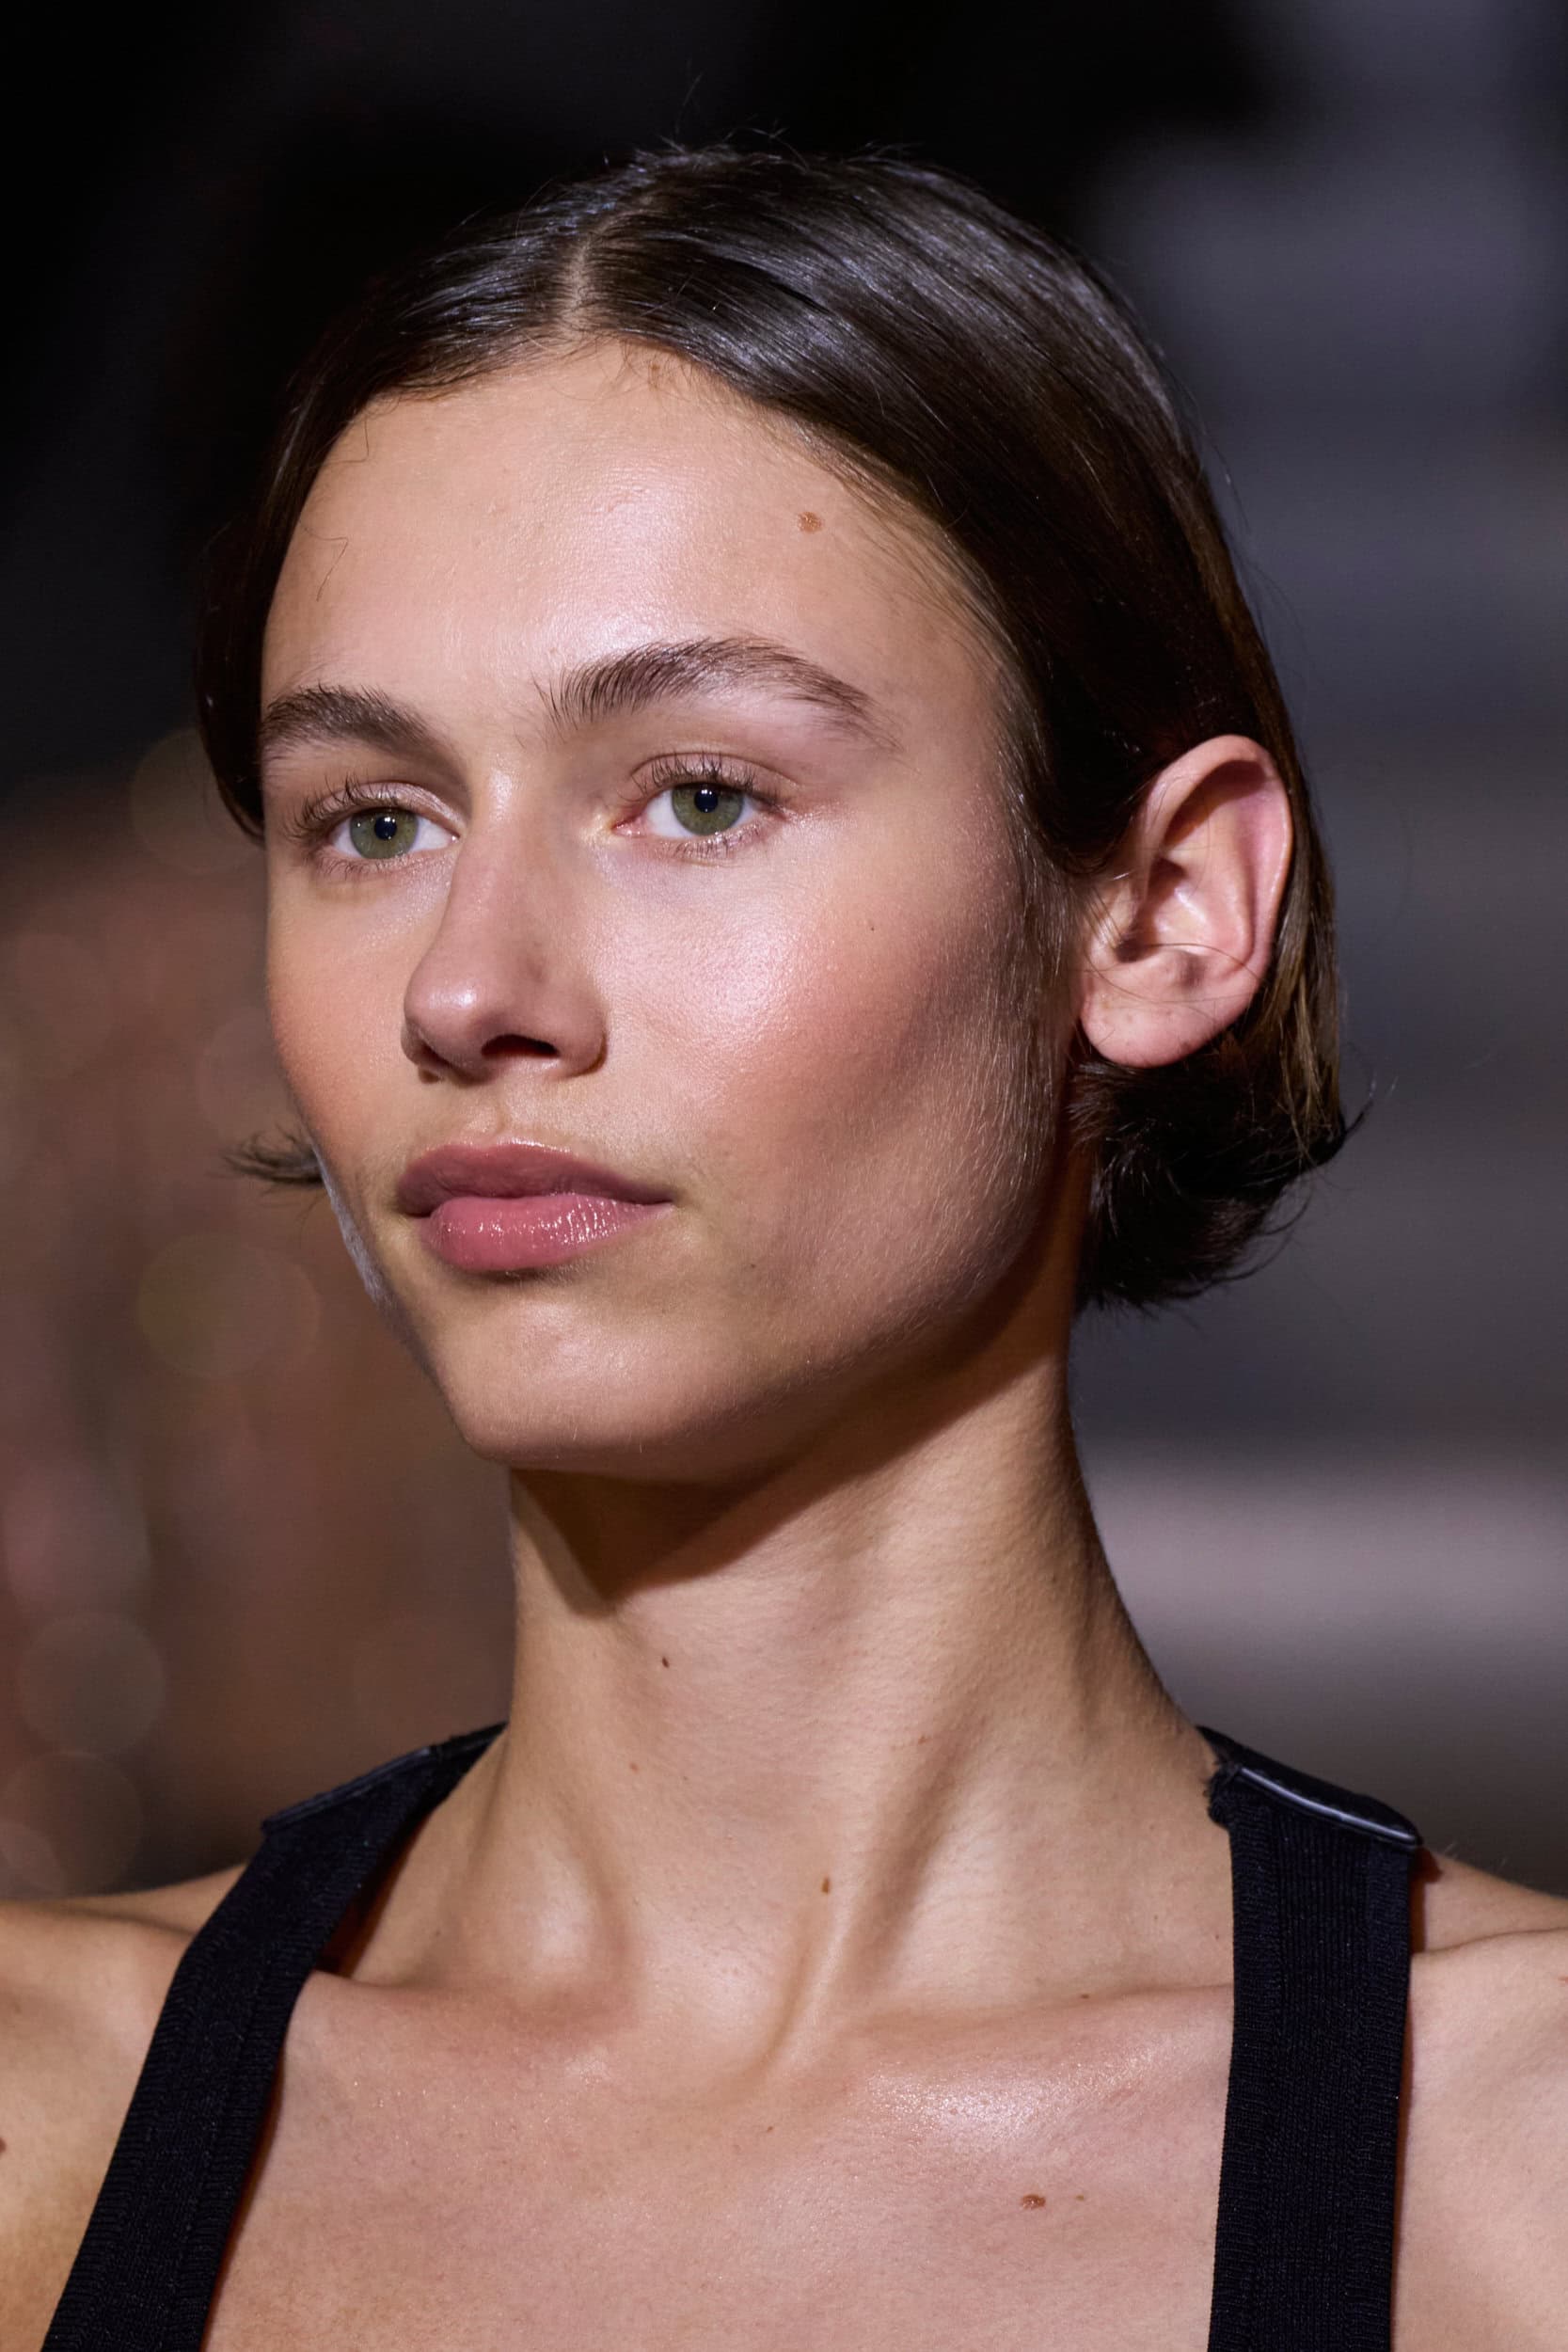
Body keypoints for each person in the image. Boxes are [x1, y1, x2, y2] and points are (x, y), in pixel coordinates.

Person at [2, 145, 1563, 2352]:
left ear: (1163, 910)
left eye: (700, 795)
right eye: (376, 818)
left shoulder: (1513, 2174)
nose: (471, 987)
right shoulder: (40, 2125)